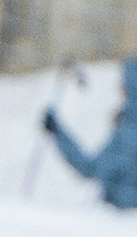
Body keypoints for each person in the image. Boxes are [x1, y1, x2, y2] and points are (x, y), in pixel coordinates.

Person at [41, 61, 137, 212]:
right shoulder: (127, 125)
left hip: (123, 223)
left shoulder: (129, 130)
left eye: (123, 84)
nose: (119, 89)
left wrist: (57, 131)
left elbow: (89, 169)